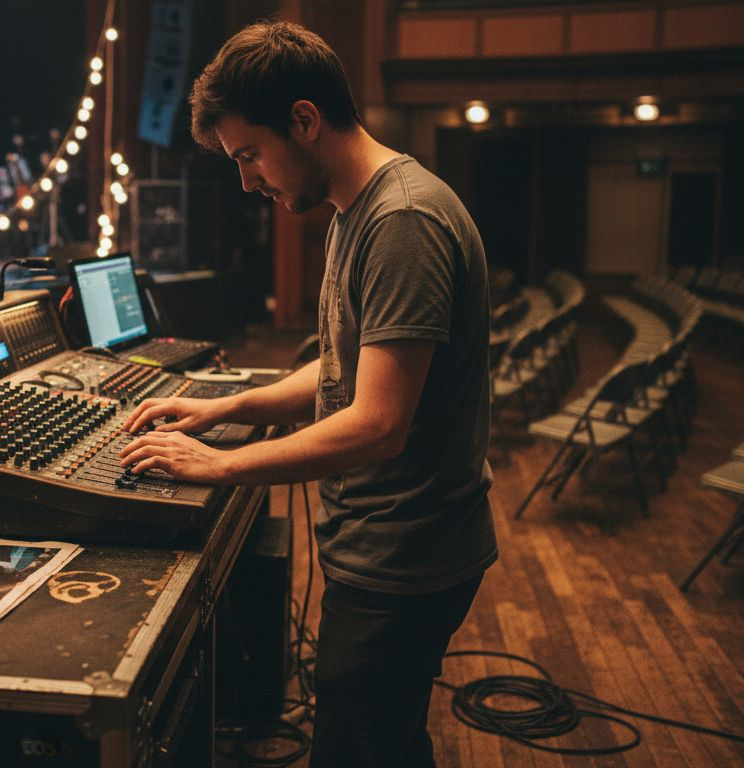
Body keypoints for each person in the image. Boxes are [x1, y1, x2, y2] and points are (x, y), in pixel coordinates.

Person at [118, 20, 496, 768]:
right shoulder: (359, 211)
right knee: (390, 746)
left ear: (304, 120)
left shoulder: (403, 221)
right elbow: (340, 368)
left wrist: (221, 466)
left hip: (403, 558)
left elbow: (378, 423)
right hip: (389, 549)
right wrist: (227, 407)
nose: (247, 180)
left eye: (249, 154)